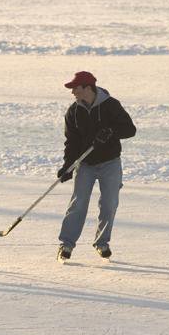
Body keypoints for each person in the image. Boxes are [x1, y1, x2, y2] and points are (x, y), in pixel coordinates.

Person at [57, 71, 136, 261]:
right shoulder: (73, 111)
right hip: (85, 165)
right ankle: (66, 245)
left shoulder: (111, 105)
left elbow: (130, 130)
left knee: (109, 204)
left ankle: (102, 243)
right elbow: (72, 142)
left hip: (110, 163)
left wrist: (110, 132)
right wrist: (68, 166)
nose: (73, 92)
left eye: (76, 88)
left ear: (87, 87)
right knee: (78, 204)